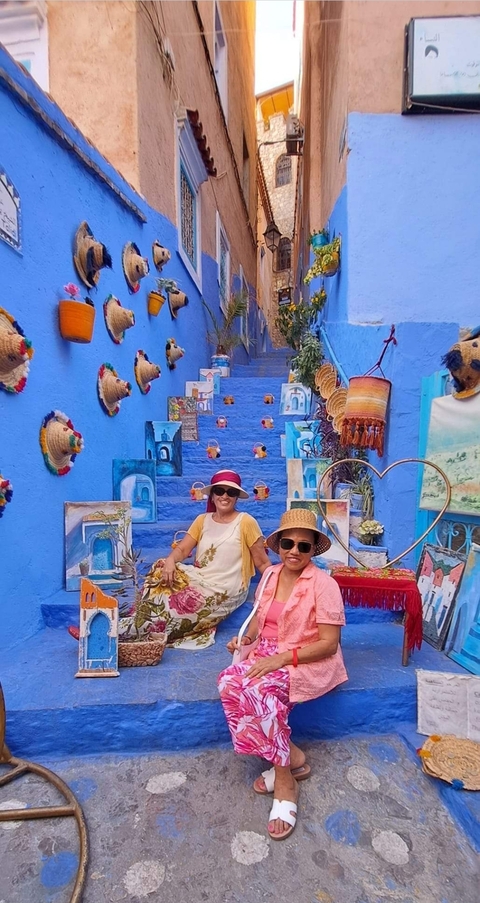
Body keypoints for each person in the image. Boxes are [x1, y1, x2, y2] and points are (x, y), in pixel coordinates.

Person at [218, 508, 348, 841]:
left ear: (313, 550)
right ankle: (294, 757)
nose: (294, 551)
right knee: (229, 683)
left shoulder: (324, 584)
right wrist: (246, 639)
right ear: (278, 546)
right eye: (287, 543)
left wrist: (280, 660)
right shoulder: (271, 575)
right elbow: (262, 620)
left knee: (261, 694)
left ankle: (285, 781)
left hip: (303, 659)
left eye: (303, 546)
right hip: (267, 654)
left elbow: (329, 645)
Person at [121, 469, 270, 649]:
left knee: (178, 608)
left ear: (237, 497)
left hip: (227, 586)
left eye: (231, 492)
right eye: (219, 491)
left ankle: (124, 632)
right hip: (201, 578)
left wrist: (276, 584)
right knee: (160, 567)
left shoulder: (246, 522)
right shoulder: (202, 520)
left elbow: (261, 562)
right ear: (212, 496)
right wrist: (170, 561)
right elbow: (183, 549)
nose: (225, 496)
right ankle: (135, 620)